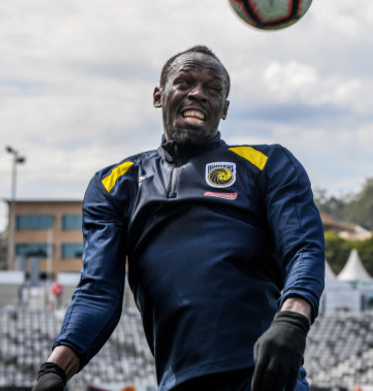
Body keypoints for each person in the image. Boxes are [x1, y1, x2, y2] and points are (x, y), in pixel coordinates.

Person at [32, 45, 325, 391]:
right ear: (159, 96)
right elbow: (98, 293)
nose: (198, 94)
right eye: (184, 82)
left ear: (225, 109)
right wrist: (54, 370)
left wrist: (291, 320)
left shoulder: (269, 164)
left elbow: (304, 250)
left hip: (264, 380)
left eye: (213, 89)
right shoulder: (115, 183)